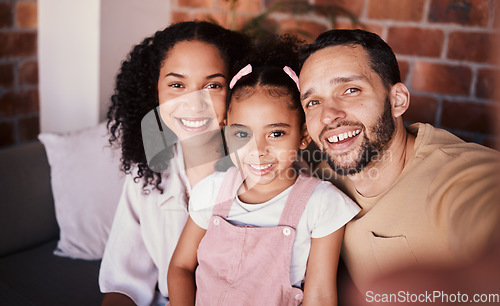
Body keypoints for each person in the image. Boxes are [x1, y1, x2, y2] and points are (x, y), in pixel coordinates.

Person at [298, 28, 500, 298]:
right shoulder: (320, 179)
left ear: (397, 100)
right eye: (313, 102)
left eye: (350, 90)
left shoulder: (463, 176)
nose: (328, 115)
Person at [167, 36, 360, 306]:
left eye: (276, 133)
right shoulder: (210, 191)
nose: (258, 149)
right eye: (242, 133)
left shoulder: (322, 204)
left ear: (304, 135)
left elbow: (321, 296)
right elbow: (181, 267)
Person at [99, 21, 250, 306]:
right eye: (177, 85)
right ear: (153, 91)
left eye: (213, 85)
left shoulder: (264, 170)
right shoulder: (144, 175)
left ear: (235, 91)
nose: (194, 103)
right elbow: (123, 285)